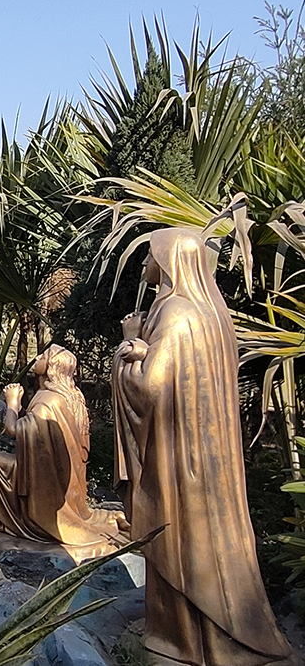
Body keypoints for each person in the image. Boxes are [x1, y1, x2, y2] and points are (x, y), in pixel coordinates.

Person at [112, 228, 290, 665]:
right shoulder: (212, 312)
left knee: (181, 541)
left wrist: (126, 351)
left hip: (179, 465)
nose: (144, 264)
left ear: (169, 261)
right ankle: (204, 635)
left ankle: (186, 640)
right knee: (208, 543)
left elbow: (151, 388)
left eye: (149, 254)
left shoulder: (173, 312)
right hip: (210, 460)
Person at [0, 344, 126, 561]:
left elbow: (13, 430)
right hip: (67, 482)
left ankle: (19, 523)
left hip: (47, 484)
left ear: (51, 367)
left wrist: (12, 403)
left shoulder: (48, 402)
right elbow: (40, 436)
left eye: (44, 355)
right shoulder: (71, 396)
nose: (38, 356)